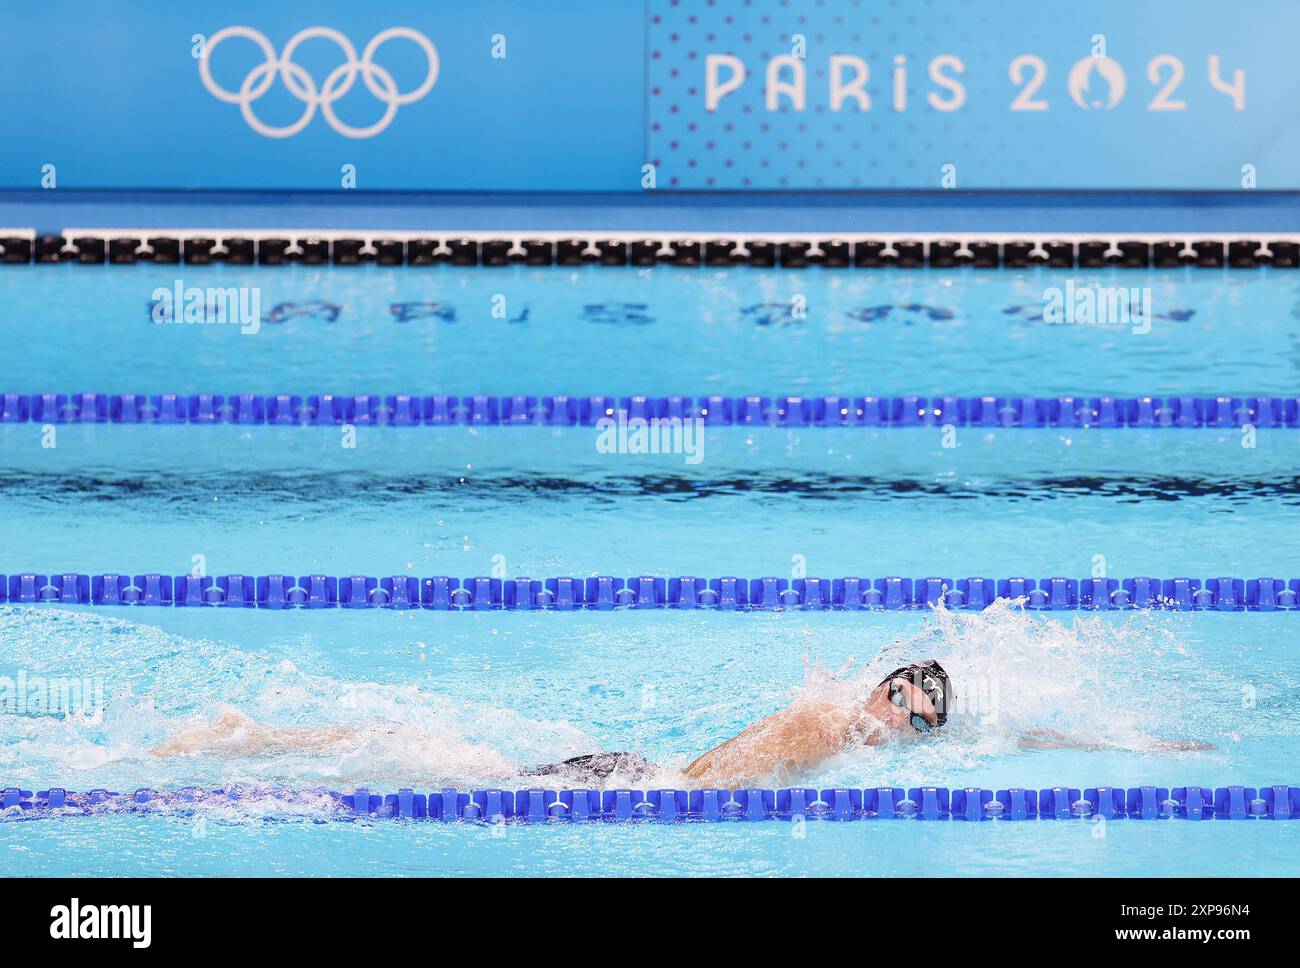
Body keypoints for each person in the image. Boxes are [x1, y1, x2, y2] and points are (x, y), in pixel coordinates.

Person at [150, 661, 954, 788]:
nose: (902, 734)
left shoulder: (833, 717)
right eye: (907, 714)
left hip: (639, 773)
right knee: (439, 768)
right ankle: (245, 735)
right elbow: (710, 792)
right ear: (886, 693)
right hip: (641, 785)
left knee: (454, 763)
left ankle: (252, 734)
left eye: (919, 730)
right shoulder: (824, 724)